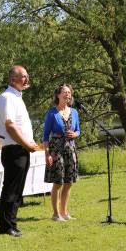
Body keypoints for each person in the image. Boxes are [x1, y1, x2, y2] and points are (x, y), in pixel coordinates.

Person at [0, 65, 38, 237]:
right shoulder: (7, 97)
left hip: (22, 149)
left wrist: (29, 142)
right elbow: (10, 126)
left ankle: (11, 223)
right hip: (14, 149)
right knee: (11, 189)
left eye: (27, 76)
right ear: (13, 79)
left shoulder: (17, 97)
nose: (26, 79)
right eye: (23, 76)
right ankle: (5, 226)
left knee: (18, 190)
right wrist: (26, 144)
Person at [43, 84, 80, 222]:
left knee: (69, 181)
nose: (67, 94)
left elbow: (78, 131)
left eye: (69, 92)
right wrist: (47, 154)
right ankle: (55, 214)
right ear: (58, 95)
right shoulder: (52, 113)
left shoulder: (74, 112)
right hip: (56, 149)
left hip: (70, 149)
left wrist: (75, 134)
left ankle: (64, 212)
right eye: (64, 92)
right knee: (58, 182)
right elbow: (45, 136)